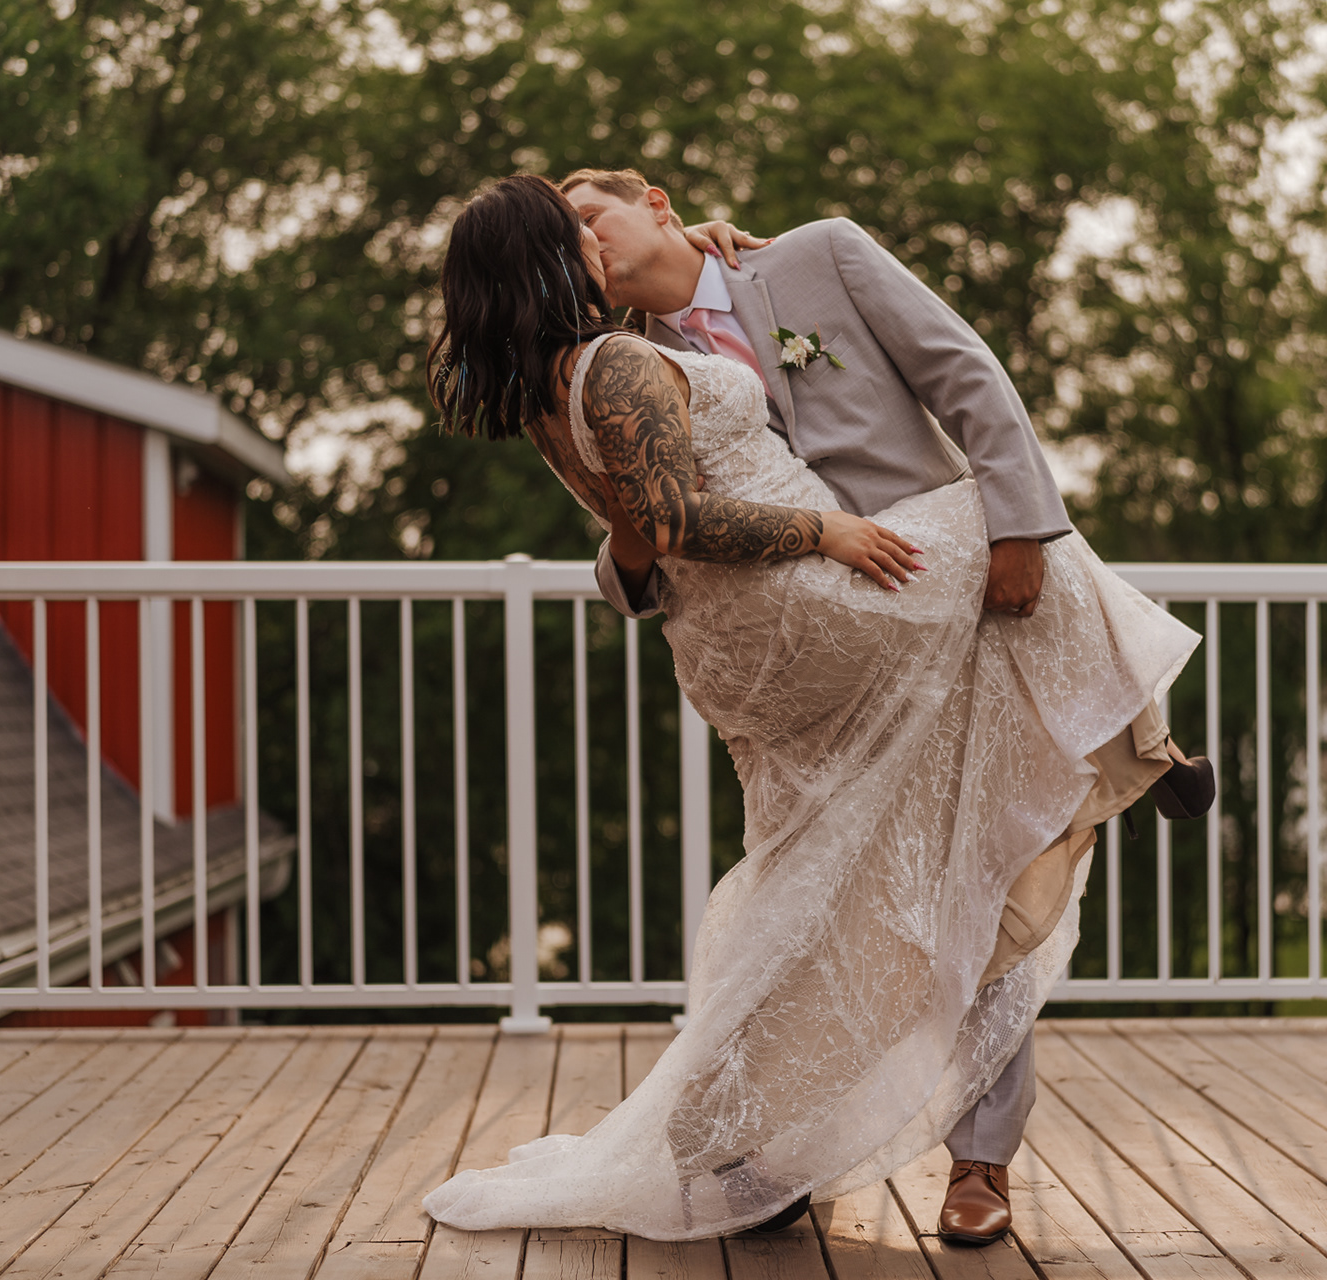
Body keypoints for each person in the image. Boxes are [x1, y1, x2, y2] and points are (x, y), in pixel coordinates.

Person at [420, 174, 1210, 1244]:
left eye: (591, 214)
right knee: (822, 897)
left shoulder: (810, 257)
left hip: (879, 615)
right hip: (836, 621)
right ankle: (1140, 734)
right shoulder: (618, 354)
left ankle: (956, 1159)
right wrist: (794, 538)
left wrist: (1022, 529)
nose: (587, 241)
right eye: (570, 231)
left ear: (657, 202)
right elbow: (643, 536)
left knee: (973, 863)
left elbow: (966, 374)